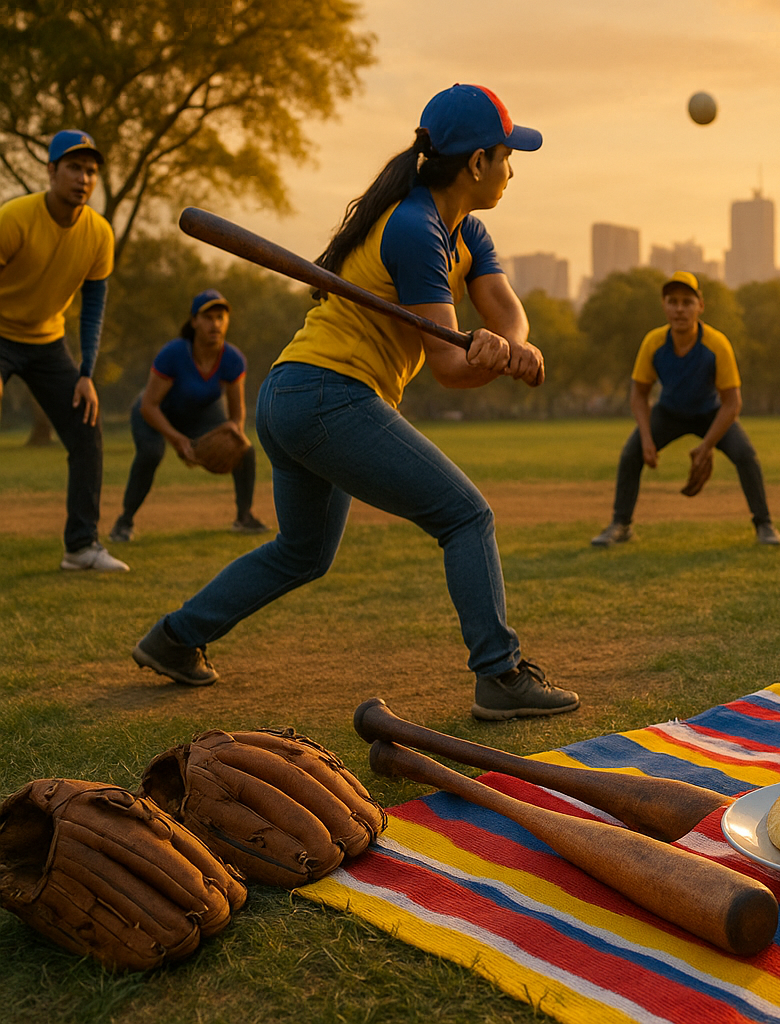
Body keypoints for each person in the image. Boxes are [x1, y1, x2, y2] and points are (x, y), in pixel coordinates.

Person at [131, 84, 579, 720]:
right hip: (327, 395)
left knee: (302, 552)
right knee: (465, 516)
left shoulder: (464, 230)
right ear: (477, 163)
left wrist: (512, 346)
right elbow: (451, 366)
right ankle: (499, 676)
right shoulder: (416, 229)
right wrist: (487, 358)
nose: (512, 167)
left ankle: (174, 639)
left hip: (292, 396)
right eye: (508, 153)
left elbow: (508, 312)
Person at [0, 129, 127, 572]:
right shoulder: (14, 219)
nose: (84, 178)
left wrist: (87, 373)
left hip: (47, 342)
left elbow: (93, 307)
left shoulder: (98, 234)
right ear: (51, 170)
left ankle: (81, 547)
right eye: (74, 167)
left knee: (86, 427)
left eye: (91, 171)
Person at [591, 270, 780, 547]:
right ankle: (621, 525)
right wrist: (646, 439)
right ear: (664, 306)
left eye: (687, 302)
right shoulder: (653, 343)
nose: (680, 309)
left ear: (700, 306)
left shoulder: (716, 345)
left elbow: (732, 403)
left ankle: (764, 525)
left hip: (710, 414)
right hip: (669, 412)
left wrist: (707, 447)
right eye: (673, 301)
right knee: (630, 454)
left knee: (746, 455)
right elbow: (639, 394)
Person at [110, 289, 268, 541]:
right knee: (151, 453)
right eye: (207, 317)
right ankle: (124, 521)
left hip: (199, 413)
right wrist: (177, 440)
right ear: (194, 321)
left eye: (220, 317)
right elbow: (149, 405)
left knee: (245, 450)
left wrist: (233, 432)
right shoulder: (174, 354)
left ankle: (244, 517)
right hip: (156, 412)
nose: (215, 324)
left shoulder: (232, 359)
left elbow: (237, 414)